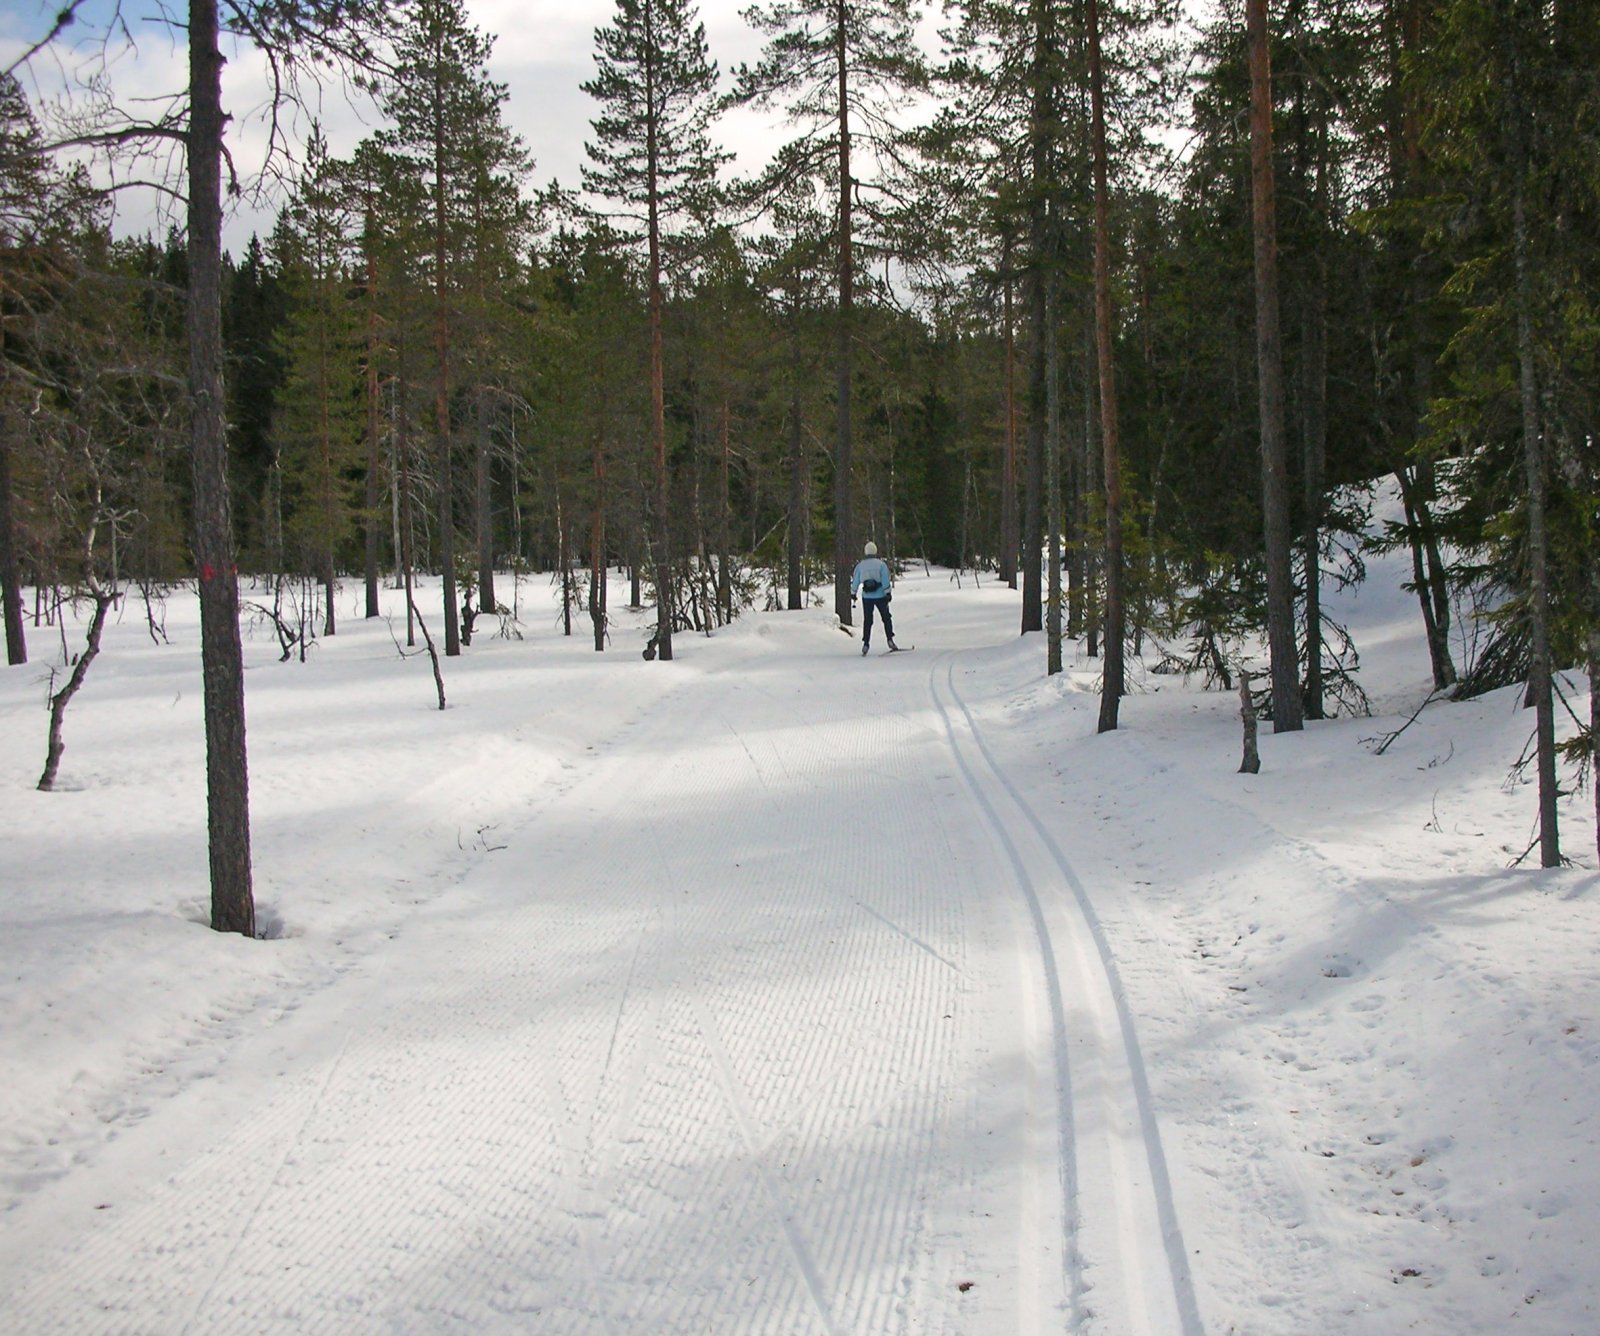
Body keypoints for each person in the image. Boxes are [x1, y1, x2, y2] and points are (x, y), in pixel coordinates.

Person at [850, 540, 898, 655]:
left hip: (867, 597)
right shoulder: (881, 565)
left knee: (868, 620)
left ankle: (866, 643)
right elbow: (885, 579)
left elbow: (856, 580)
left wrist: (853, 592)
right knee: (886, 617)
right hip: (880, 595)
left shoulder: (860, 565)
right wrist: (888, 592)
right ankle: (890, 639)